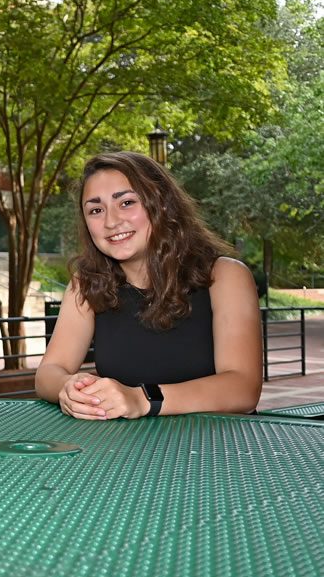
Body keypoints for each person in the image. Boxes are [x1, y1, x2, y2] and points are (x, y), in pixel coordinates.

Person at [35, 151, 262, 419]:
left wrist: (143, 399)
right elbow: (48, 372)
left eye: (127, 202)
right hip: (131, 451)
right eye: (96, 210)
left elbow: (243, 388)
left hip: (218, 451)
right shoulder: (86, 284)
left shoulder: (225, 276)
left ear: (162, 205)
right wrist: (69, 388)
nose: (111, 221)